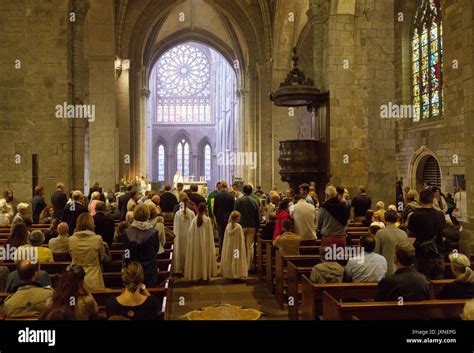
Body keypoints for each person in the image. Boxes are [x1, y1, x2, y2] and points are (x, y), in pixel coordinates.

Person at [407, 189, 445, 280]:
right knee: (437, 285)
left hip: (421, 254)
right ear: (433, 200)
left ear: (420, 200)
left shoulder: (414, 216)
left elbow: (410, 234)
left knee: (422, 282)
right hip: (437, 252)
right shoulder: (440, 215)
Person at [124, 205, 160, 287]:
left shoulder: (127, 232)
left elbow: (126, 253)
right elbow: (156, 249)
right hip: (150, 269)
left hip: (133, 271)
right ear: (148, 215)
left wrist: (127, 264)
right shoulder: (153, 232)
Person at [69, 213, 106, 290]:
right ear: (91, 224)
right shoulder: (98, 239)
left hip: (76, 277)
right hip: (93, 278)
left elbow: (71, 255)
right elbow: (101, 257)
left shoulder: (71, 240)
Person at [184, 203, 217, 281]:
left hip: (196, 243)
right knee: (204, 258)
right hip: (206, 243)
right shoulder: (207, 220)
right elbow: (210, 233)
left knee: (197, 258)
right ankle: (205, 274)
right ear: (205, 209)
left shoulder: (194, 220)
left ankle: (197, 273)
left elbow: (190, 233)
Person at [234, 184, 260, 270]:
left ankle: (238, 263)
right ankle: (249, 266)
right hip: (252, 225)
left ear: (243, 191)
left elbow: (235, 213)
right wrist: (257, 226)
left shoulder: (238, 201)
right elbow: (257, 216)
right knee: (250, 246)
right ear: (251, 191)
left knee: (238, 245)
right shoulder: (254, 201)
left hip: (240, 225)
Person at [374, 210, 408, 275]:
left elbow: (376, 252)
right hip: (401, 269)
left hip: (385, 269)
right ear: (397, 219)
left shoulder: (380, 233)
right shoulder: (403, 233)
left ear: (384, 219)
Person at [221, 211, 248, 280]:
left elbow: (225, 239)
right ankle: (236, 272)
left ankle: (229, 272)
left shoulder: (228, 226)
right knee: (236, 258)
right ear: (237, 218)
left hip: (229, 247)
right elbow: (241, 239)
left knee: (229, 258)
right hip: (237, 248)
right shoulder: (238, 227)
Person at [172, 195, 195, 275]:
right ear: (188, 203)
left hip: (179, 236)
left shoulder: (177, 214)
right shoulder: (192, 213)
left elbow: (175, 227)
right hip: (189, 236)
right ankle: (189, 268)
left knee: (180, 251)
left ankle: (180, 268)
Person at [213, 182, 235, 258]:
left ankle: (221, 254)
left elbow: (215, 209)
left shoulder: (217, 195)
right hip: (228, 218)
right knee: (229, 235)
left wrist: (217, 216)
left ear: (221, 187)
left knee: (221, 236)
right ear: (227, 186)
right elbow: (233, 208)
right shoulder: (231, 196)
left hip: (219, 218)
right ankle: (228, 254)